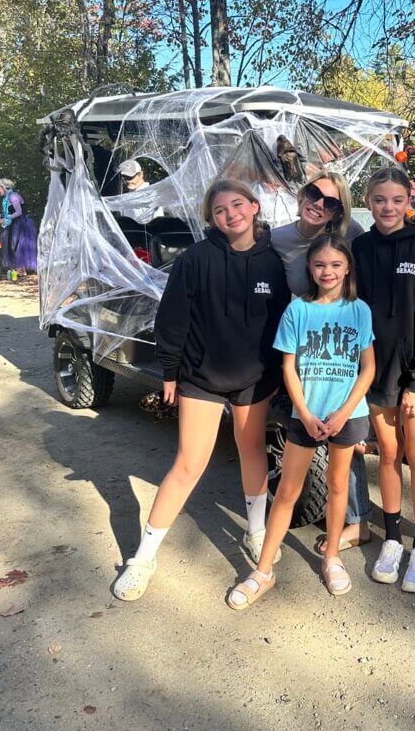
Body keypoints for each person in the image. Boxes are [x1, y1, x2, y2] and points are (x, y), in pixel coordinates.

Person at [111, 178, 290, 602]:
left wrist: (283, 371)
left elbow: (285, 320)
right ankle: (143, 558)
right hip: (200, 375)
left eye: (238, 205)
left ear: (254, 207)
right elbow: (173, 317)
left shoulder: (274, 262)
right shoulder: (196, 258)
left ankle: (257, 530)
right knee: (189, 463)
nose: (231, 214)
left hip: (255, 377)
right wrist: (170, 372)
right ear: (211, 218)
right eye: (220, 210)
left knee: (251, 452)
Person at [226, 233, 375, 608]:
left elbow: (368, 369)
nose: (328, 271)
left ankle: (332, 558)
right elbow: (289, 368)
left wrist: (343, 413)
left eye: (336, 265)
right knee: (288, 492)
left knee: (339, 486)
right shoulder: (297, 311)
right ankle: (262, 571)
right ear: (309, 268)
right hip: (305, 417)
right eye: (320, 264)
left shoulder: (360, 310)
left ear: (348, 269)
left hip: (347, 415)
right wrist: (306, 414)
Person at [352, 166, 415, 593]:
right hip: (375, 369)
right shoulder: (359, 247)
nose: (387, 208)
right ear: (368, 202)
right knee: (388, 455)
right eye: (379, 200)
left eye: (396, 200)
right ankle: (392, 538)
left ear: (408, 202)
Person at [271, 171, 372, 555]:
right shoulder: (278, 238)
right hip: (302, 341)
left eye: (330, 201)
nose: (319, 203)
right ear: (303, 193)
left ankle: (357, 519)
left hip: (344, 343)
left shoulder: (353, 233)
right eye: (314, 193)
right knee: (308, 422)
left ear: (337, 211)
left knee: (345, 432)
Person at [0, 178, 37, 275]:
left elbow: (19, 212)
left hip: (21, 222)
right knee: (10, 244)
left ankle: (23, 268)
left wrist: (5, 219)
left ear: (4, 187)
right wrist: (2, 217)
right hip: (13, 223)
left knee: (18, 244)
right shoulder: (6, 198)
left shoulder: (13, 196)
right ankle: (19, 268)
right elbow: (9, 211)